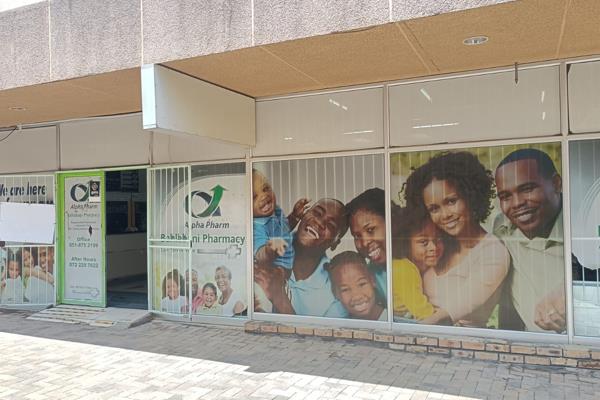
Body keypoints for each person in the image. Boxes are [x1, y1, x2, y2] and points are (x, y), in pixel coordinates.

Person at [404, 151, 510, 328]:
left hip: (461, 343)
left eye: (451, 201)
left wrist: (404, 332)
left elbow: (449, 313)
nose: (445, 215)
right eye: (434, 208)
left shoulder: (493, 252)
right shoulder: (437, 245)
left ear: (470, 195)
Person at [494, 148, 565, 333]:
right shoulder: (502, 228)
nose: (516, 203)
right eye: (505, 196)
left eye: (526, 189)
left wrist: (571, 289)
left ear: (556, 184)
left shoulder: (580, 226)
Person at [254, 198, 349, 318]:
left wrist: (279, 297)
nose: (319, 222)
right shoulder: (267, 247)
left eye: (331, 225)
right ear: (304, 214)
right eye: (317, 213)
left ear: (335, 243)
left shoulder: (335, 291)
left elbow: (317, 335)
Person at [252, 169, 308, 312]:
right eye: (254, 196)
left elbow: (284, 229)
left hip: (286, 273)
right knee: (278, 301)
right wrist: (270, 249)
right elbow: (259, 254)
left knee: (283, 299)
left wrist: (295, 216)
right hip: (273, 271)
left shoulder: (275, 212)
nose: (264, 196)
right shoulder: (257, 226)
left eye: (266, 189)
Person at [392, 207, 446, 322]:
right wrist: (446, 315)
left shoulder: (416, 266)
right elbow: (422, 312)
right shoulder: (404, 269)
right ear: (406, 243)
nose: (434, 247)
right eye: (424, 242)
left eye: (438, 239)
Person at [346, 188, 388, 301]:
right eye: (357, 236)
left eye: (370, 230)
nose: (364, 242)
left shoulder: (420, 258)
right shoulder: (369, 277)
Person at [326, 251, 386, 320]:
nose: (357, 296)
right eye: (345, 289)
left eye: (362, 284)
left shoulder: (393, 320)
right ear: (335, 293)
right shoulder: (341, 325)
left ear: (372, 280)